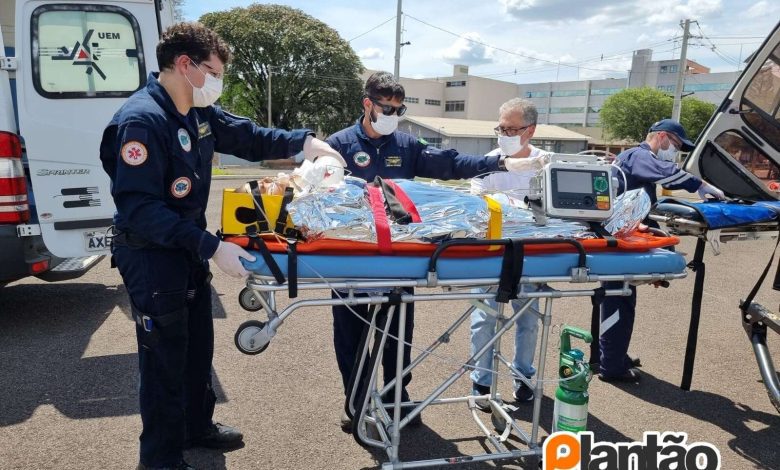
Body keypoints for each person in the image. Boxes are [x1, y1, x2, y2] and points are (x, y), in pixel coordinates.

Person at [99, 22, 343, 470]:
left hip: (186, 250)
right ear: (185, 65)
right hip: (153, 257)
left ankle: (197, 428)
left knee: (196, 351)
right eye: (213, 72)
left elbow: (249, 136)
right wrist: (210, 246)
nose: (218, 82)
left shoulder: (197, 111)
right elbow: (140, 210)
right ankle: (161, 460)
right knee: (163, 363)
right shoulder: (143, 121)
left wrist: (306, 144)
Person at [326, 71, 533, 430]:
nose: (392, 114)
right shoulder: (340, 144)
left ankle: (396, 400)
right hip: (352, 259)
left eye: (398, 108)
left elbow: (451, 162)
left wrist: (499, 162)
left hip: (400, 259)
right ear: (367, 104)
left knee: (397, 338)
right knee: (352, 339)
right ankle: (356, 404)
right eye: (386, 108)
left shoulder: (406, 146)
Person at [598, 118, 725, 383]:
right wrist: (700, 185)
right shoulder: (639, 156)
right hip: (619, 243)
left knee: (619, 299)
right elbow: (665, 172)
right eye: (676, 145)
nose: (674, 152)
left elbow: (645, 209)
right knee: (618, 300)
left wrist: (661, 244)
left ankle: (612, 355)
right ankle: (611, 367)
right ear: (663, 137)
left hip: (623, 239)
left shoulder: (633, 160)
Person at [468, 98, 550, 407]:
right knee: (483, 318)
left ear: (530, 130)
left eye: (511, 128)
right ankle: (481, 381)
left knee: (528, 320)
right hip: (491, 252)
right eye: (501, 127)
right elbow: (476, 200)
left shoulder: (546, 163)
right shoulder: (491, 160)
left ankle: (523, 376)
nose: (504, 134)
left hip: (531, 253)